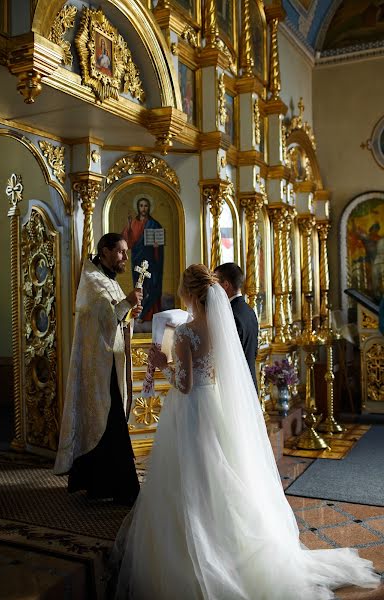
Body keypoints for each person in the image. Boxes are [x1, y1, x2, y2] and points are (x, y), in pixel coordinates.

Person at [107, 264, 380, 599]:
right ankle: (227, 544)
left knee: (190, 478)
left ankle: (198, 550)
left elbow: (184, 384)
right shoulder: (219, 330)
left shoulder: (186, 333)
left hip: (192, 411)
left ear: (189, 293)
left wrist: (163, 366)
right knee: (216, 475)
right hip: (215, 407)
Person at [54, 233, 142, 505]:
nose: (125, 257)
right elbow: (105, 318)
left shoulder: (109, 281)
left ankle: (102, 485)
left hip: (110, 364)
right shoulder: (92, 281)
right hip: (98, 368)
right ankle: (116, 487)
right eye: (120, 252)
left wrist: (129, 314)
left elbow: (116, 318)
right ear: (104, 251)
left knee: (110, 422)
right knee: (106, 421)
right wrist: (126, 305)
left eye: (126, 252)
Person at [215, 262, 259, 390]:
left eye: (215, 284)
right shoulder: (249, 311)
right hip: (250, 382)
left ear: (226, 285)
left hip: (236, 387)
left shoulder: (230, 315)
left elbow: (228, 357)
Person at [122, 197, 164, 323]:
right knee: (140, 286)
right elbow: (126, 243)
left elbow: (159, 244)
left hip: (151, 260)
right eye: (141, 205)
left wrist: (157, 247)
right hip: (137, 259)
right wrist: (129, 227)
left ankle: (147, 313)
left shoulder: (154, 224)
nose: (143, 208)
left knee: (151, 286)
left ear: (149, 207)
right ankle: (138, 312)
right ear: (138, 207)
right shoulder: (133, 223)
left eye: (146, 206)